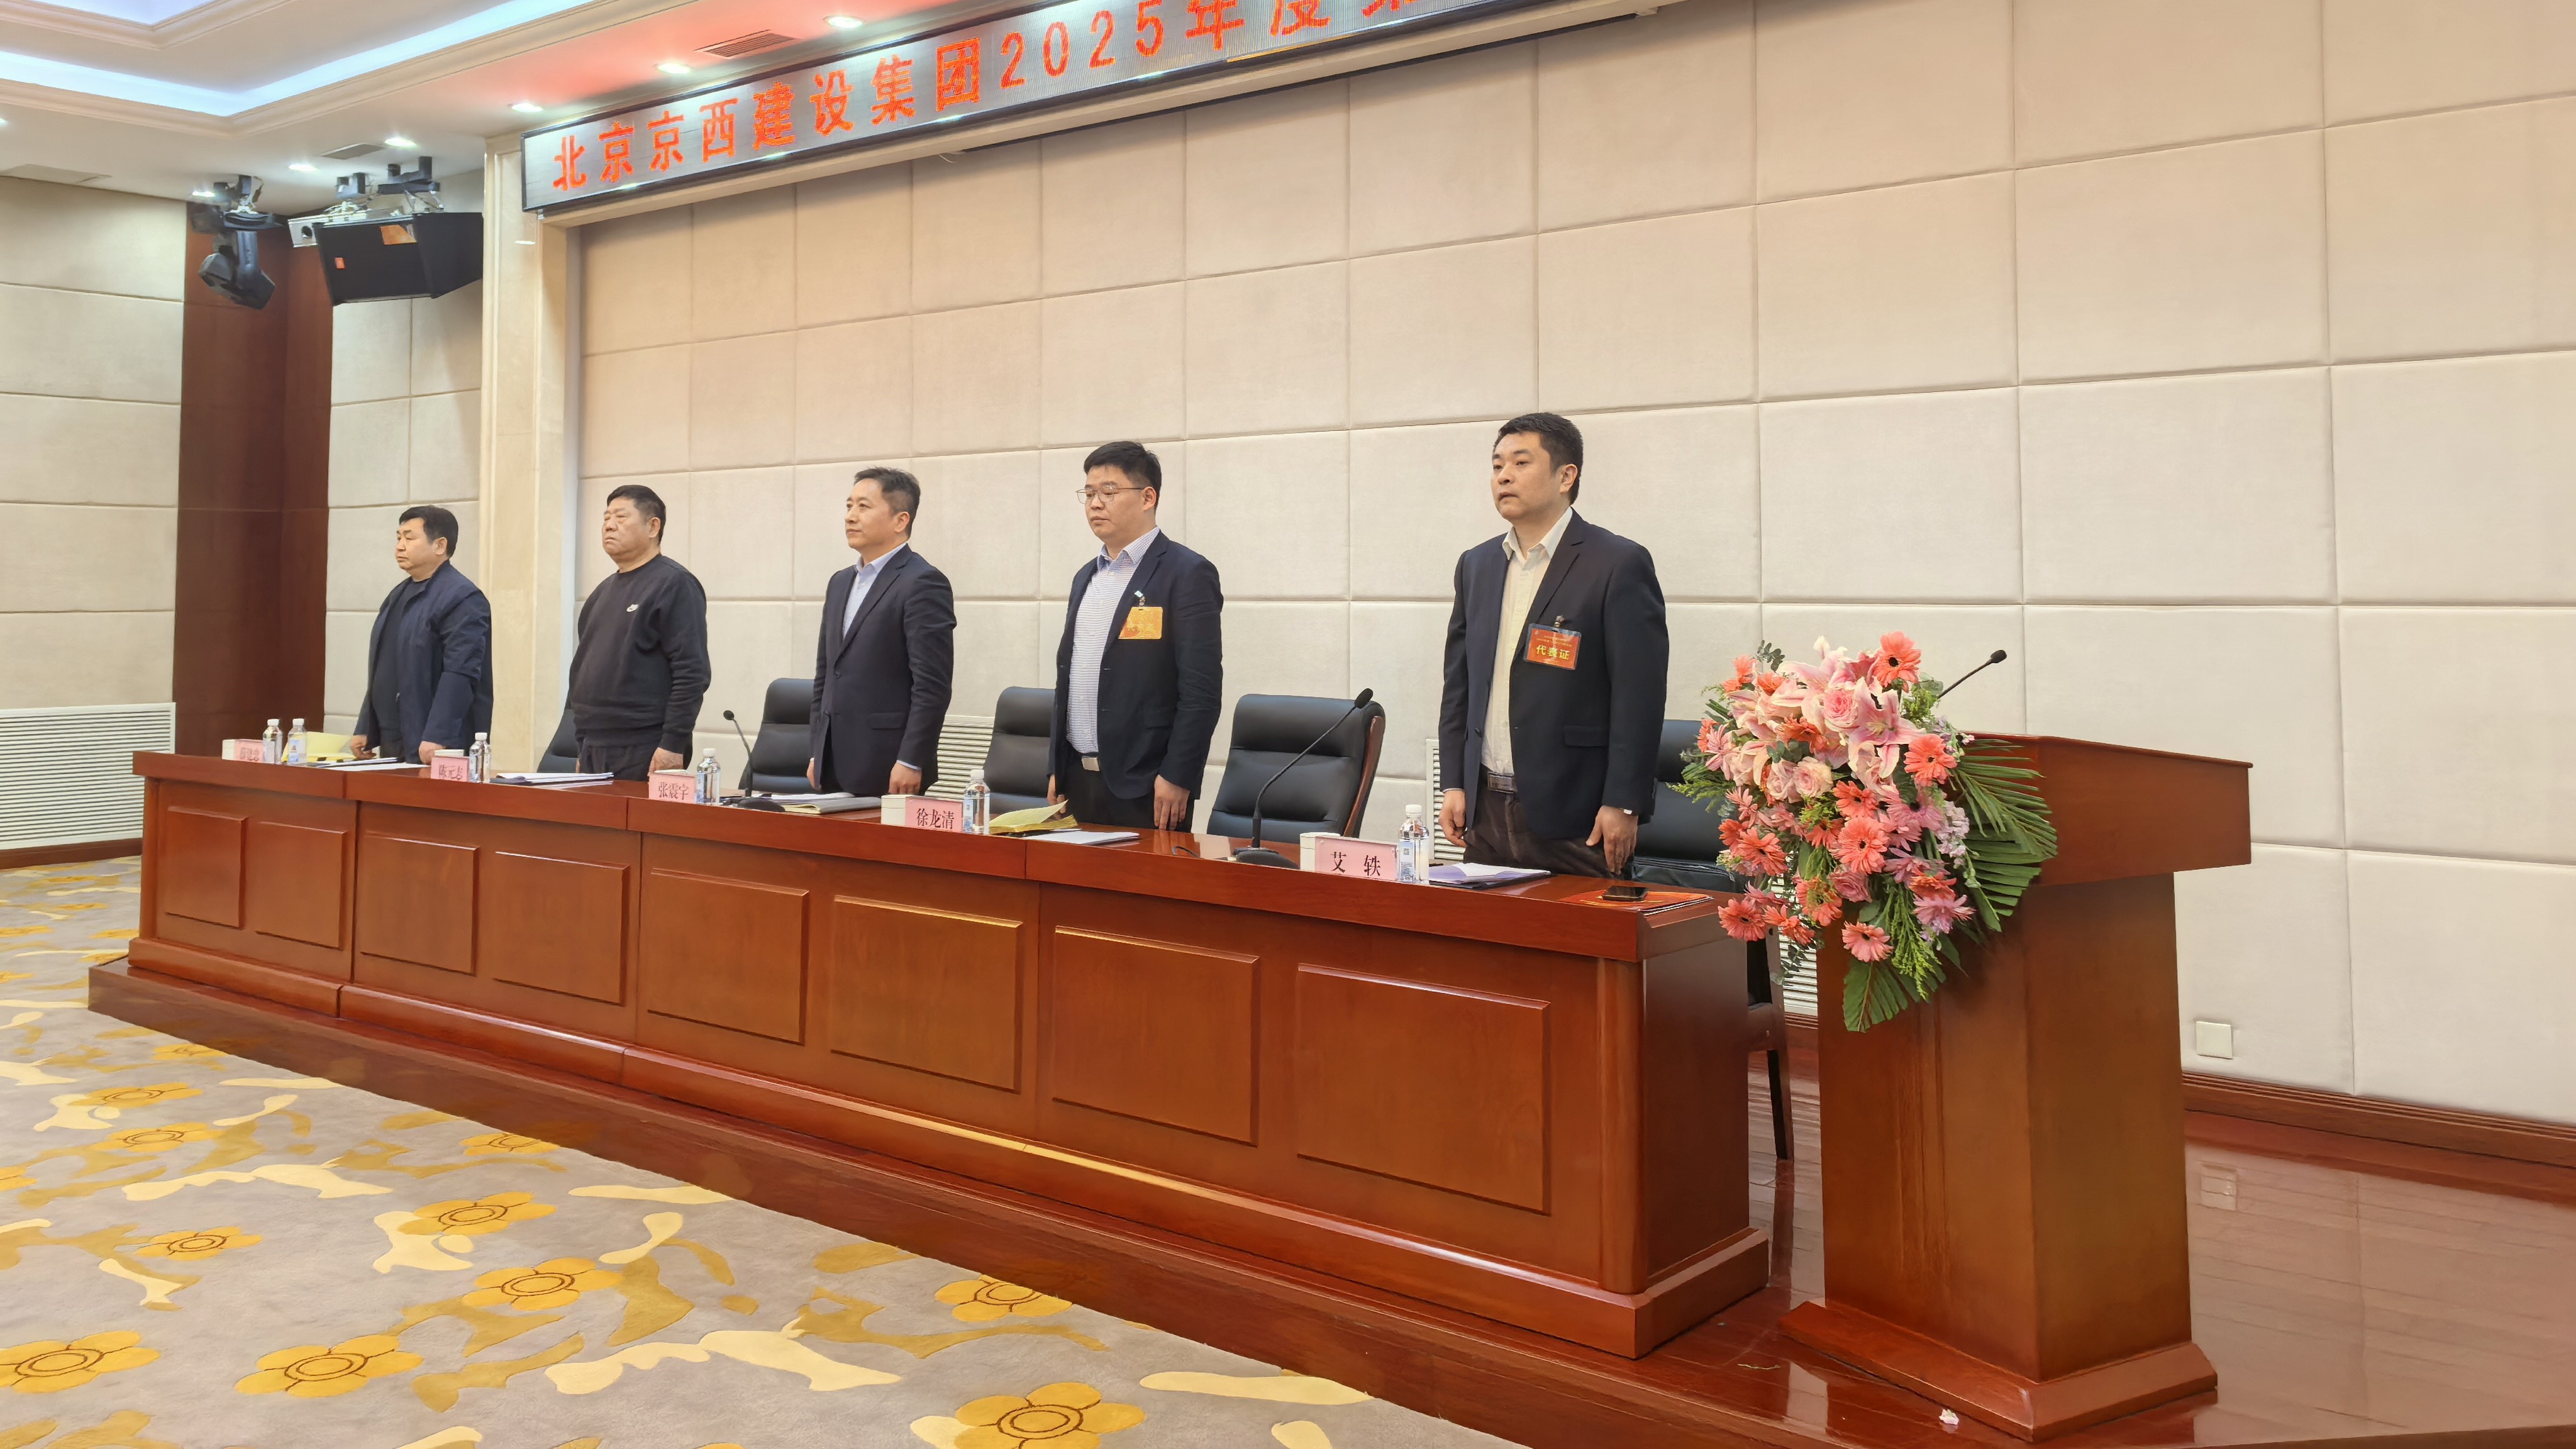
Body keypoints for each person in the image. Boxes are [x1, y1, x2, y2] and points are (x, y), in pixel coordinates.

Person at [1438, 413, 1668, 877]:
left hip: (1577, 814)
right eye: (1497, 465)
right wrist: (1454, 784)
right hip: (1485, 812)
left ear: (1566, 476)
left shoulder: (1617, 563)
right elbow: (1460, 685)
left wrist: (1624, 802)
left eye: (1521, 463)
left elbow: (1638, 696)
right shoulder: (1476, 565)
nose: (1504, 476)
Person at [1047, 441, 1223, 831]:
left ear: (1147, 498)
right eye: (1089, 493)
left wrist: (1178, 775)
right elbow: (1069, 679)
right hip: (1077, 780)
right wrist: (1056, 767)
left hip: (1148, 784)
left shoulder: (1186, 573)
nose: (1095, 504)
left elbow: (1202, 690)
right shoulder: (1086, 577)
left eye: (1109, 491)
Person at [808, 468, 956, 797]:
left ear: (901, 521)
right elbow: (826, 673)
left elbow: (932, 685)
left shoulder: (922, 582)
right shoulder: (840, 582)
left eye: (864, 506)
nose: (851, 516)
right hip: (831, 762)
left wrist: (912, 759)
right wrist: (817, 749)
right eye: (849, 506)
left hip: (889, 765)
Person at [567, 484, 711, 781]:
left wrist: (673, 743)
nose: (609, 525)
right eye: (606, 518)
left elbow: (691, 671)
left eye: (621, 517)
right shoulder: (600, 594)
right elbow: (583, 671)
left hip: (646, 746)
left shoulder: (674, 584)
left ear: (653, 527)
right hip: (594, 746)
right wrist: (582, 744)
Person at [350, 506, 493, 766]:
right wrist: (366, 727)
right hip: (395, 737)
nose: (400, 546)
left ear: (440, 545)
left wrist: (439, 735)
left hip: (436, 742)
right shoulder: (398, 595)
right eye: (398, 538)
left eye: (409, 538)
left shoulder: (463, 598)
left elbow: (461, 672)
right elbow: (385, 666)